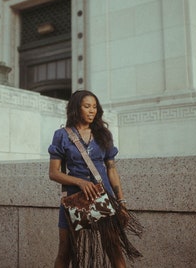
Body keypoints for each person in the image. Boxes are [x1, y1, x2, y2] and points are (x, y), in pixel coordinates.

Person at [48, 90, 141, 268]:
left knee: (114, 249)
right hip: (74, 199)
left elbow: (111, 170)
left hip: (103, 197)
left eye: (95, 107)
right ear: (76, 108)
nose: (92, 111)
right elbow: (53, 173)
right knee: (65, 251)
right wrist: (80, 182)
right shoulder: (62, 135)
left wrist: (121, 202)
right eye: (87, 106)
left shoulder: (103, 134)